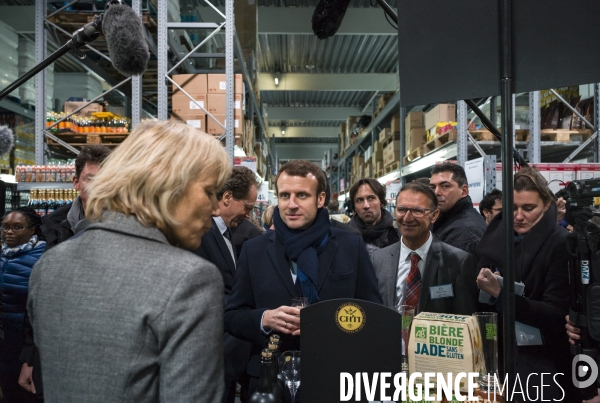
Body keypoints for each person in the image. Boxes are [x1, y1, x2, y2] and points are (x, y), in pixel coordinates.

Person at [27, 120, 230, 403]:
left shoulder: (49, 267)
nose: (217, 207)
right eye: (209, 191)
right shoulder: (189, 278)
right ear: (169, 185)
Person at [224, 160, 382, 396]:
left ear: (320, 199)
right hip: (270, 383)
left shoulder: (350, 245)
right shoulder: (254, 250)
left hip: (333, 378)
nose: (291, 205)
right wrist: (264, 319)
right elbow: (232, 316)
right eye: (285, 195)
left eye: (302, 195)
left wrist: (323, 324)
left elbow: (372, 312)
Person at [476, 167, 571, 402]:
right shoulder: (496, 239)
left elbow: (556, 313)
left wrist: (501, 294)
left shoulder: (560, 244)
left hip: (544, 365)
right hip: (500, 358)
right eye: (513, 208)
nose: (519, 216)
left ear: (547, 205)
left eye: (529, 209)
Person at [192, 166, 259, 403]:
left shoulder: (227, 233)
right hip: (211, 356)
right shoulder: (201, 233)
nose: (249, 215)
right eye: (247, 207)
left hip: (227, 358)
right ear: (228, 197)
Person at [370, 182, 478, 314]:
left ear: (434, 215)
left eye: (417, 211)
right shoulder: (378, 259)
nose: (407, 218)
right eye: (402, 209)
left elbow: (464, 317)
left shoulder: (458, 262)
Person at [0, 207, 44, 403]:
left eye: (17, 227)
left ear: (32, 230)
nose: (9, 232)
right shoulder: (2, 255)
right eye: (5, 227)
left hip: (26, 340)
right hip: (4, 338)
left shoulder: (43, 256)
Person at [40, 145, 111, 250]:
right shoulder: (52, 226)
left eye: (104, 179)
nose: (97, 186)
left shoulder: (127, 224)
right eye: (90, 179)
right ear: (76, 183)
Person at [429, 162, 486, 256]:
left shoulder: (466, 232)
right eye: (432, 187)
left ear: (464, 191)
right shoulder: (446, 219)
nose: (436, 192)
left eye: (445, 186)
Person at [348, 178, 399, 252]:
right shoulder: (344, 236)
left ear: (381, 203)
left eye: (371, 198)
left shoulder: (397, 234)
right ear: (354, 207)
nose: (366, 206)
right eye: (359, 200)